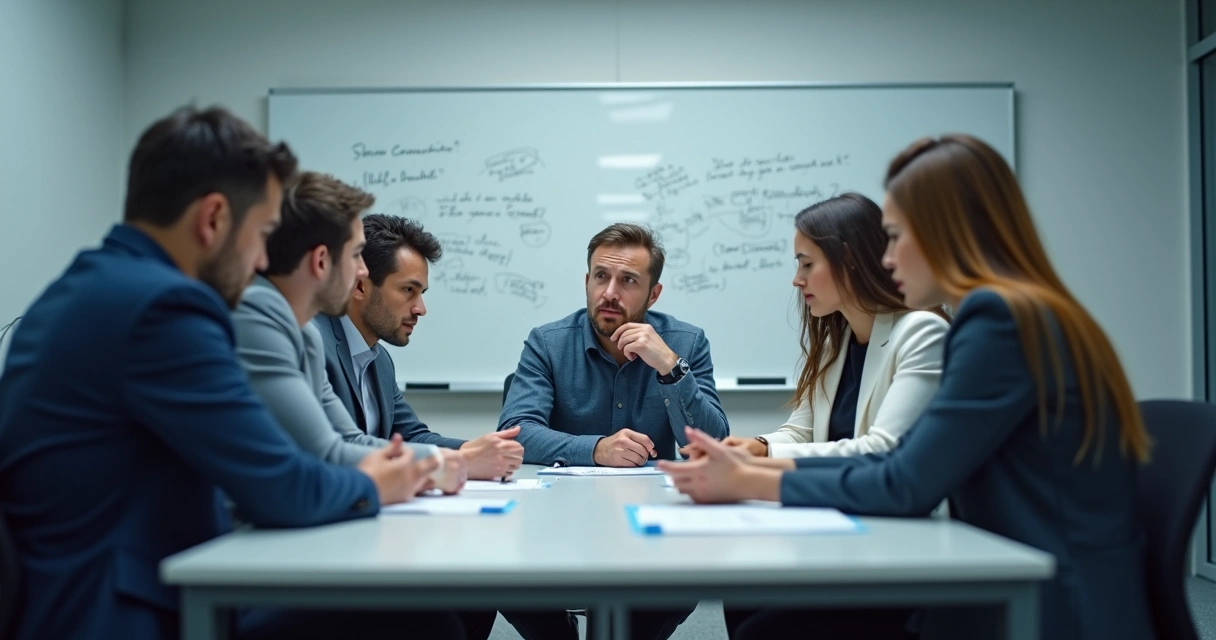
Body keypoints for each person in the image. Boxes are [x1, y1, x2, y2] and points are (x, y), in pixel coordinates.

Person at [661, 134, 1157, 640]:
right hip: (1019, 574)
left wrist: (748, 479)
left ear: (948, 232)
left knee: (770, 627)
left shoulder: (998, 320)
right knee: (759, 607)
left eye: (895, 237)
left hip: (1053, 602)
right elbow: (901, 466)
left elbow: (904, 481)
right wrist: (751, 465)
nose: (888, 258)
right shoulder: (1017, 310)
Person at [0, 106, 464, 640]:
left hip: (90, 590)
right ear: (214, 219)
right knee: (425, 623)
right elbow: (281, 485)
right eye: (262, 231)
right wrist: (374, 484)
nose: (264, 257)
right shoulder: (164, 309)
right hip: (119, 612)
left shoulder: (89, 286)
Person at [680, 193, 948, 638]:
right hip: (836, 527)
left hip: (894, 543)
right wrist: (756, 446)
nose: (796, 279)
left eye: (807, 264)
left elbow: (881, 450)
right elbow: (802, 432)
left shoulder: (921, 332)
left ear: (851, 261)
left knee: (762, 629)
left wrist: (751, 470)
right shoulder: (836, 341)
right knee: (744, 590)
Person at [497, 222, 727, 640]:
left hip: (652, 521)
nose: (609, 292)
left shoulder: (686, 343)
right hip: (555, 517)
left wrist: (670, 367)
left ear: (653, 294)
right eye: (601, 276)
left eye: (628, 281)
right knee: (502, 570)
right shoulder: (547, 343)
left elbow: (712, 445)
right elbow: (517, 431)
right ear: (586, 281)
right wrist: (596, 448)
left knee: (690, 570)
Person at [232, 172, 467, 491]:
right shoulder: (258, 313)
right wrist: (436, 465)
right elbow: (327, 454)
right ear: (321, 260)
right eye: (356, 254)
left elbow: (348, 440)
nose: (362, 271)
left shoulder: (305, 334)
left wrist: (446, 460)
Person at [316, 214, 523, 481]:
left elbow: (411, 436)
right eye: (408, 290)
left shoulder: (379, 360)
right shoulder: (314, 344)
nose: (420, 309)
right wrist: (459, 461)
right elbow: (338, 446)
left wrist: (470, 450)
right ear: (359, 286)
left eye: (421, 293)